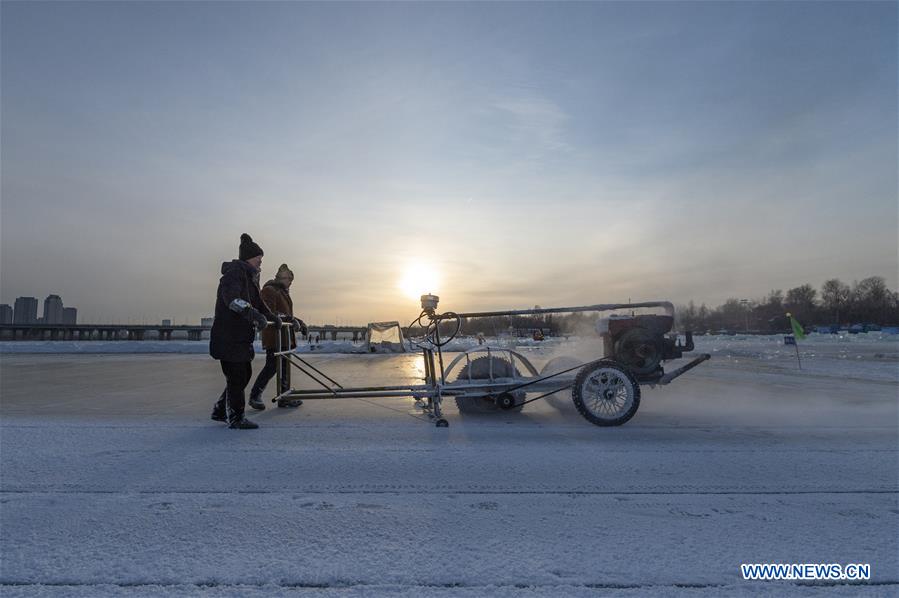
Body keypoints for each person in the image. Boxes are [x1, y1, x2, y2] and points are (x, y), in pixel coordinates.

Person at [209, 233, 280, 429]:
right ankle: (236, 417)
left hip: (240, 337)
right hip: (228, 336)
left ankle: (220, 409)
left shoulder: (250, 279)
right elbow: (233, 301)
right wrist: (254, 315)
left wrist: (271, 316)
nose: (261, 263)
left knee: (243, 374)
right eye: (259, 259)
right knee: (237, 376)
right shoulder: (234, 275)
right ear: (249, 258)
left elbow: (258, 303)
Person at [248, 263, 307, 410]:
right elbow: (270, 313)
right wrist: (291, 320)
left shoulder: (282, 292)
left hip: (284, 338)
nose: (290, 284)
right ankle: (255, 395)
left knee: (285, 367)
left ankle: (285, 397)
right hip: (275, 337)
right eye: (289, 280)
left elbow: (287, 315)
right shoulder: (269, 291)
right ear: (281, 278)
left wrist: (299, 322)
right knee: (272, 367)